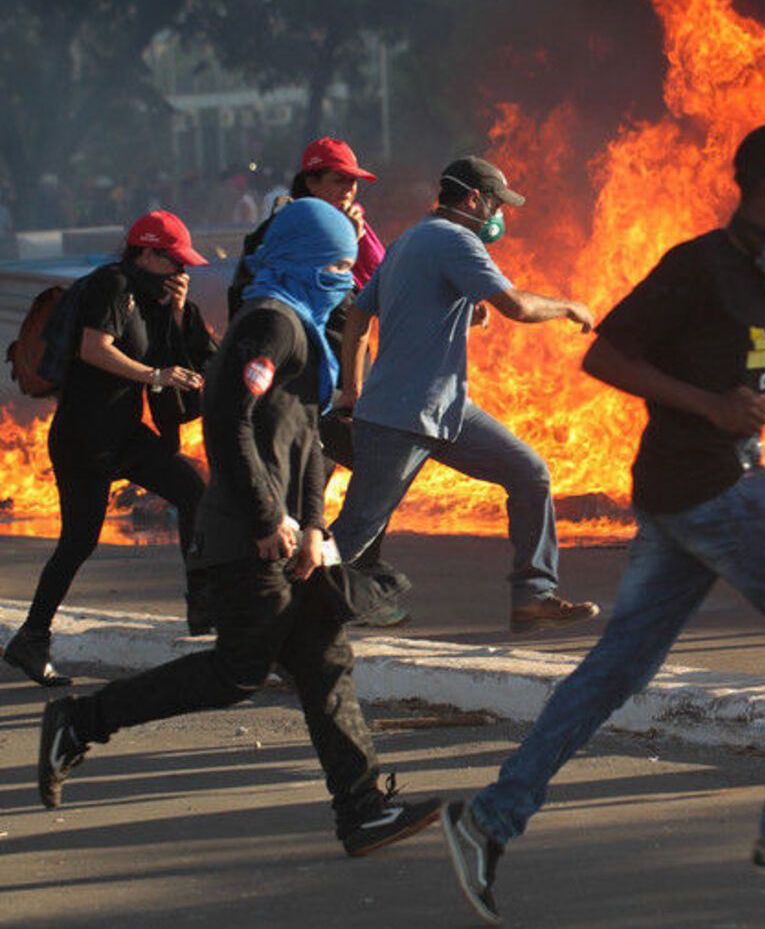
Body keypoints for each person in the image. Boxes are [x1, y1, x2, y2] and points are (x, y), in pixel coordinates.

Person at [440, 124, 765, 926]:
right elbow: (605, 356)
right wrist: (710, 407)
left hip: (685, 495)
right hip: (717, 489)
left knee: (619, 669)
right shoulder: (699, 266)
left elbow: (741, 380)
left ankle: (488, 819)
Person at [34, 198, 441, 856]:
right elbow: (226, 418)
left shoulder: (303, 332)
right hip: (245, 537)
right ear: (305, 260)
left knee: (325, 659)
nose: (346, 281)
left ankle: (362, 808)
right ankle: (79, 721)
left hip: (283, 535)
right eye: (338, 266)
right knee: (238, 670)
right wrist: (267, 516)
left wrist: (315, 526)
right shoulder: (270, 324)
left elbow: (308, 444)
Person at [329, 156, 598, 635]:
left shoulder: (410, 239)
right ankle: (276, 615)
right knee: (353, 534)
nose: (500, 215)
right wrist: (567, 306)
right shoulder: (457, 240)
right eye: (497, 203)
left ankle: (534, 597)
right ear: (474, 199)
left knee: (530, 473)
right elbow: (516, 306)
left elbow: (359, 316)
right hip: (402, 416)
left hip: (445, 409)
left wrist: (352, 389)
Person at [3, 211, 214, 687]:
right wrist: (154, 376)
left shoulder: (151, 298)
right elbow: (94, 347)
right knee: (79, 542)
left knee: (191, 488)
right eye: (174, 261)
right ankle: (31, 639)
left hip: (122, 434)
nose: (181, 270)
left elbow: (168, 352)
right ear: (148, 253)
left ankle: (203, 604)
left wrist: (177, 312)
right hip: (83, 438)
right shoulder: (112, 285)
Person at [230, 137, 408, 627]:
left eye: (354, 180)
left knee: (331, 486)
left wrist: (354, 239)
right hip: (304, 385)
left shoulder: (352, 228)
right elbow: (251, 299)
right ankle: (336, 590)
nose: (349, 189)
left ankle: (324, 591)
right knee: (364, 475)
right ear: (310, 181)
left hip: (344, 383)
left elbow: (381, 283)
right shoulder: (281, 234)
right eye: (338, 179)